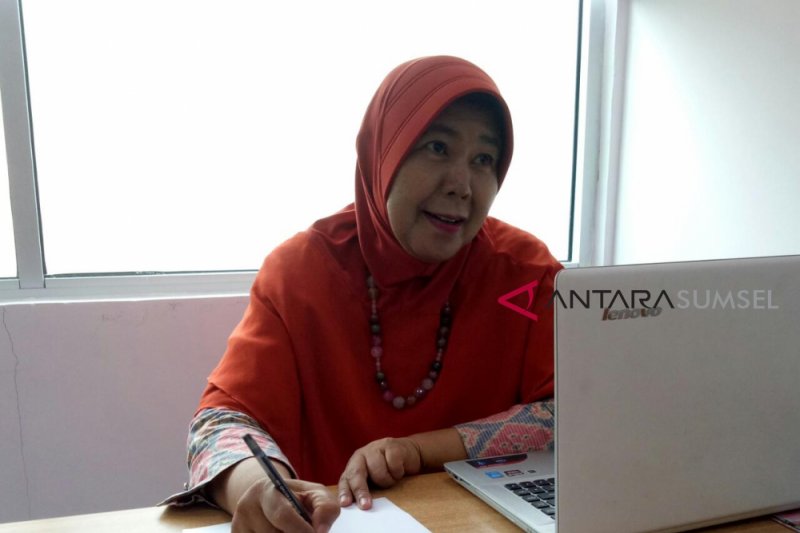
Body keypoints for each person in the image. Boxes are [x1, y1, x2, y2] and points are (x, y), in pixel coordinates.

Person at [165, 55, 561, 533]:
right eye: (437, 148)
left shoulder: (525, 273)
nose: (461, 186)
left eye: (483, 160)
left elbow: (567, 416)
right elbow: (220, 426)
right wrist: (261, 488)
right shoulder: (302, 273)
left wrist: (416, 451)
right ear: (383, 153)